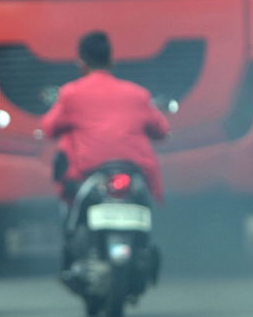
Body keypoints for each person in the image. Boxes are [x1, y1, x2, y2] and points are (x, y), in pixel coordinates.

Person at [41, 30, 169, 204]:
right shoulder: (139, 95)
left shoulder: (71, 94)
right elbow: (161, 131)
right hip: (136, 173)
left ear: (81, 64)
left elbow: (49, 128)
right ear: (111, 62)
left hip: (87, 175)